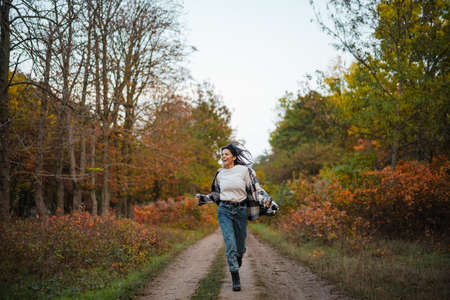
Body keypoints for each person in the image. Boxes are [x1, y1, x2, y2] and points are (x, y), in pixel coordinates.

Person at [196, 143, 278, 292]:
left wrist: (265, 201)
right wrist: (203, 198)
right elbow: (216, 194)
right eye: (222, 154)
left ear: (234, 156)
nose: (223, 157)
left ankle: (238, 256)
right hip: (224, 211)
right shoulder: (220, 173)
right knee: (230, 244)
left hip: (240, 210)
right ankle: (235, 276)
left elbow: (255, 190)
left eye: (226, 154)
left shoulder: (244, 171)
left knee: (240, 246)